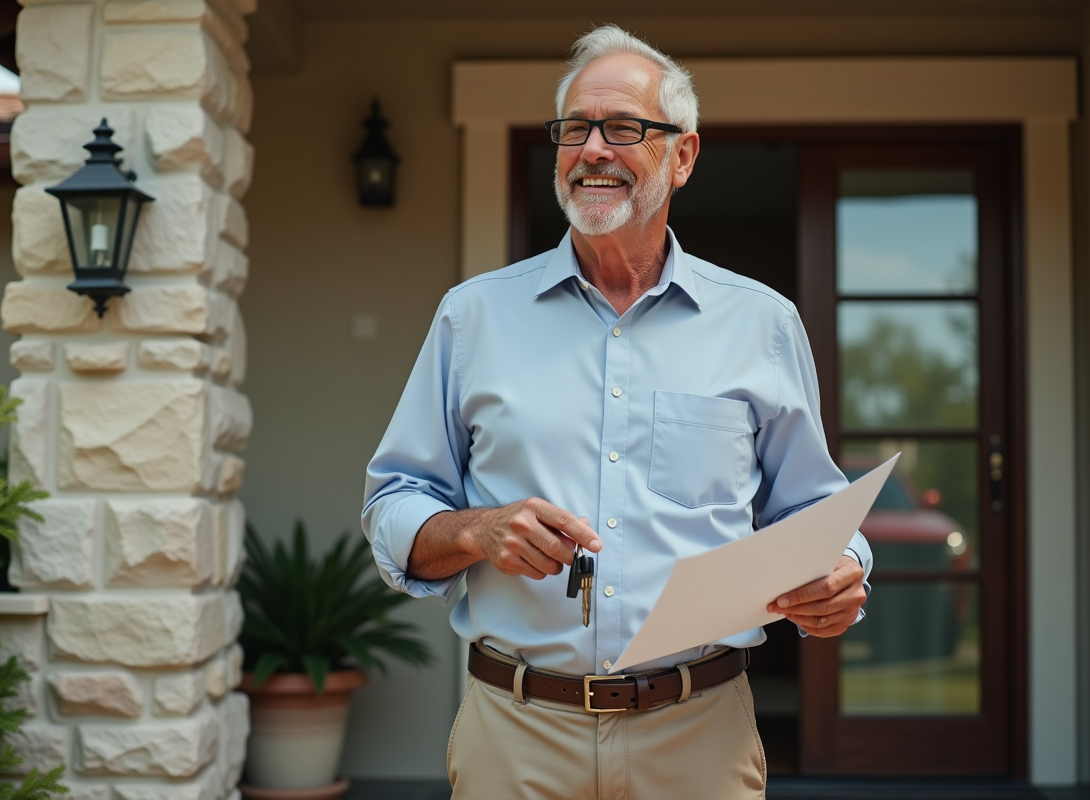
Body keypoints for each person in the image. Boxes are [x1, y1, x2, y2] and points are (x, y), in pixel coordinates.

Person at [363, 25, 872, 800]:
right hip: (516, 733)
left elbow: (813, 509)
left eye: (625, 128)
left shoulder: (761, 323)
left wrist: (844, 569)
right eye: (576, 129)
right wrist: (476, 530)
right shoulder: (472, 318)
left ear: (684, 155)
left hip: (700, 735)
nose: (593, 148)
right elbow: (393, 503)